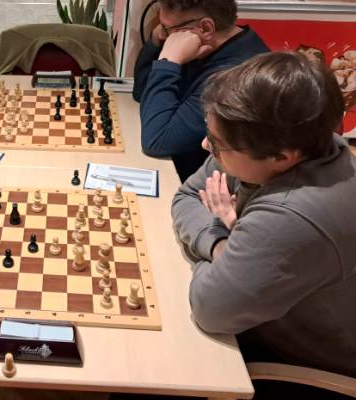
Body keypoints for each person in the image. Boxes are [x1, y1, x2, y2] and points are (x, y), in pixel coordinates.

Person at [172, 52, 356, 380]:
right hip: (255, 319)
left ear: (282, 158)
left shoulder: (291, 216)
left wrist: (231, 238)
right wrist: (220, 244)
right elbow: (187, 197)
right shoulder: (274, 138)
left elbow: (210, 309)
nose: (205, 146)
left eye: (216, 144)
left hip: (304, 368)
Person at [132, 0, 269, 182]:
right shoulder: (207, 47)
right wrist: (155, 42)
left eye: (167, 28)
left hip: (198, 186)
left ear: (205, 28)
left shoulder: (232, 78)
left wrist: (168, 61)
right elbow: (142, 92)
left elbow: (157, 140)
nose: (165, 36)